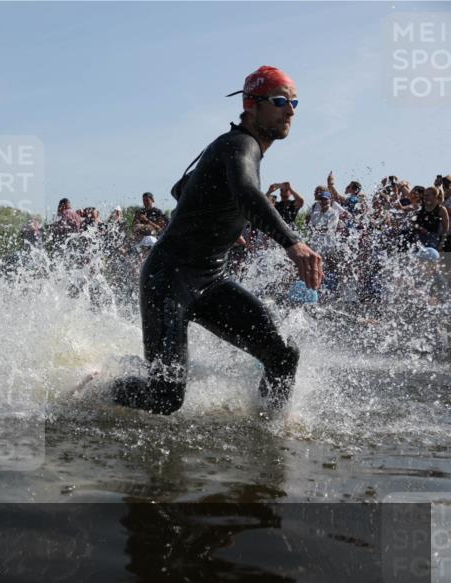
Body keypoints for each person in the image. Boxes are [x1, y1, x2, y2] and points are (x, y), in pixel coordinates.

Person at [111, 65, 322, 415]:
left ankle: (268, 427)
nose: (291, 111)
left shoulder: (231, 148)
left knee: (282, 354)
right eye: (280, 100)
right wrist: (292, 243)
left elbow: (182, 188)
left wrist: (215, 214)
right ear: (252, 104)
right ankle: (103, 387)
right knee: (165, 397)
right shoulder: (241, 143)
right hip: (169, 281)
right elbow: (245, 191)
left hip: (211, 281)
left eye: (295, 102)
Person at [415, 186, 449, 251]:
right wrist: (419, 227)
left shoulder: (441, 209)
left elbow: (445, 229)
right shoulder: (419, 207)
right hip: (418, 237)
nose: (425, 197)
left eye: (427, 195)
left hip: (433, 238)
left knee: (430, 260)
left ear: (435, 196)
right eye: (424, 195)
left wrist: (441, 244)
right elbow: (411, 222)